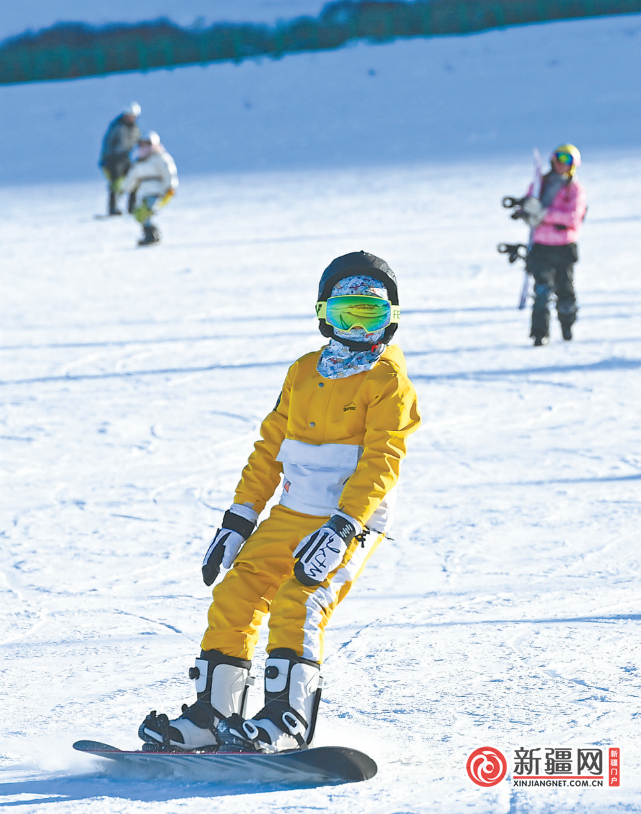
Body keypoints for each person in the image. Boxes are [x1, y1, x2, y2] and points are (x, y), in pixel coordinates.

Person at [139, 251, 421, 753]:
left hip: (347, 519)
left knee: (299, 599)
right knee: (236, 593)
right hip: (291, 511)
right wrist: (239, 517)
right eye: (344, 315)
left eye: (371, 316)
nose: (357, 329)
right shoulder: (303, 372)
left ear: (391, 322)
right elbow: (271, 448)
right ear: (323, 316)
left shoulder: (389, 382)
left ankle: (286, 719)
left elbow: (383, 460)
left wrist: (342, 528)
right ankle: (212, 716)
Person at [513, 144, 587, 346]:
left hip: (564, 247)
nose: (561, 163)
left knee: (565, 290)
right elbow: (529, 204)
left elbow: (573, 217)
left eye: (566, 160)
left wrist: (544, 214)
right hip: (541, 246)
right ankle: (539, 333)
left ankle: (567, 325)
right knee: (542, 290)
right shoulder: (540, 184)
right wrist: (527, 213)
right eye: (558, 158)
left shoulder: (574, 190)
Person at [121, 131, 178, 246]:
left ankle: (152, 235)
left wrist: (170, 187)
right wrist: (124, 188)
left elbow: (168, 173)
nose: (144, 147)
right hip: (144, 192)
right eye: (142, 144)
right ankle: (149, 233)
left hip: (158, 191)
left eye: (147, 144)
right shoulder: (140, 161)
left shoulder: (160, 158)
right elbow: (133, 177)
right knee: (139, 214)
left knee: (147, 212)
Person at [99, 102, 142, 216]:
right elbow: (108, 142)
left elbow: (138, 142)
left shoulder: (135, 129)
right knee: (116, 183)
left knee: (134, 180)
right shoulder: (117, 127)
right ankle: (112, 208)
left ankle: (132, 207)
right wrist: (105, 158)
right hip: (114, 158)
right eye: (129, 115)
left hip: (126, 157)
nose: (130, 118)